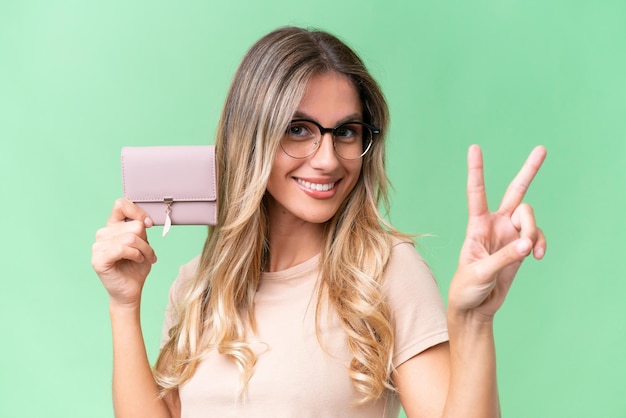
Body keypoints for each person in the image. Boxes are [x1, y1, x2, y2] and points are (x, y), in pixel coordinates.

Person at [91, 26, 547, 418]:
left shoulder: (385, 272)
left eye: (346, 132)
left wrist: (474, 321)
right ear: (250, 138)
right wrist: (123, 306)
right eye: (298, 129)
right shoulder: (198, 284)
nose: (328, 160)